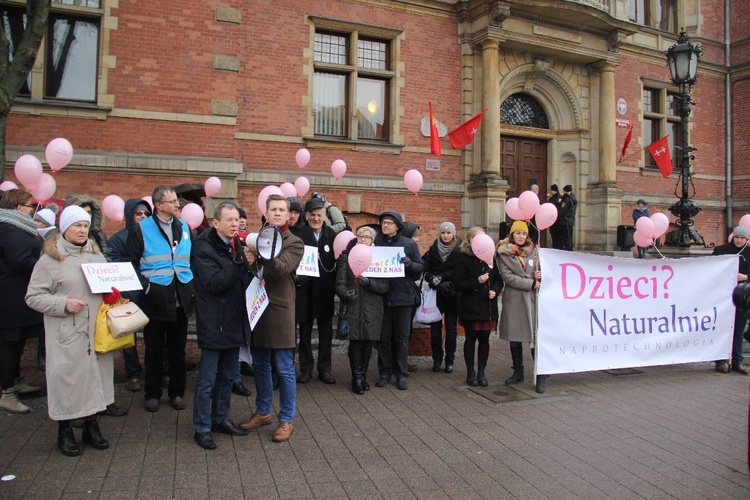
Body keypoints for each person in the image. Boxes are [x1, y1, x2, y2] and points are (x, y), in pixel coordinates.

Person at [25, 206, 114, 456]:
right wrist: (63, 303)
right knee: (68, 382)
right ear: (64, 228)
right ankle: (65, 431)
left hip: (95, 330)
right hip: (67, 331)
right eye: (77, 225)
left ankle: (91, 426)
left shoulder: (96, 254)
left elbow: (104, 284)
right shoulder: (51, 259)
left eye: (85, 225)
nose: (82, 230)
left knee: (95, 380)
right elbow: (33, 296)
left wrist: (113, 292)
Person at [125, 186, 194, 412]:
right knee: (153, 349)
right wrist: (145, 287)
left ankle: (176, 392)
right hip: (154, 298)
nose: (177, 205)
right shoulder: (141, 229)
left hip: (180, 297)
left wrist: (190, 286)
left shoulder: (184, 226)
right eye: (172, 201)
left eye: (177, 201)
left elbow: (190, 258)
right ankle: (152, 393)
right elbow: (131, 263)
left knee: (178, 350)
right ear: (159, 205)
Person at [240, 194, 304, 442]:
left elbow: (281, 268)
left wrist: (260, 250)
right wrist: (247, 259)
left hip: (279, 311)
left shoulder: (294, 242)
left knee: (285, 368)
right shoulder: (258, 238)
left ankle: (286, 419)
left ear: (288, 215)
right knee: (261, 365)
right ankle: (264, 411)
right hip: (258, 309)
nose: (277, 213)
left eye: (281, 210)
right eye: (273, 209)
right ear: (266, 213)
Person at [191, 202, 253, 450]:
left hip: (233, 320)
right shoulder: (203, 248)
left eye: (237, 219)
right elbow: (215, 282)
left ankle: (220, 418)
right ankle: (202, 427)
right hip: (214, 323)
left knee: (228, 376)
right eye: (229, 220)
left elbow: (241, 278)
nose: (234, 224)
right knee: (207, 380)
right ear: (215, 223)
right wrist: (240, 263)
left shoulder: (236, 244)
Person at [0, 189, 43, 414]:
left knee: (16, 343)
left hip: (17, 296)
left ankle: (14, 381)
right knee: (9, 344)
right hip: (10, 298)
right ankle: (7, 393)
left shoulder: (15, 227)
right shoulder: (10, 229)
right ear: (18, 208)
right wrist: (45, 267)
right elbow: (20, 260)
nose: (33, 209)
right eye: (30, 205)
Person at [335, 226, 388, 394]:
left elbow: (385, 286)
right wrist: (345, 293)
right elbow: (339, 284)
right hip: (353, 306)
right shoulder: (347, 257)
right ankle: (356, 378)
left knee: (368, 342)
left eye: (367, 237)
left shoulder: (379, 258)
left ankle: (363, 375)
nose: (363, 239)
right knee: (356, 342)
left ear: (373, 240)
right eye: (360, 236)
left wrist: (370, 283)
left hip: (373, 307)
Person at [374, 211, 424, 390]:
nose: (385, 225)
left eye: (388, 222)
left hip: (403, 298)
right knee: (384, 338)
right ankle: (385, 372)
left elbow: (419, 269)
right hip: (383, 297)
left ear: (397, 226)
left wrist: (410, 264)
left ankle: (401, 374)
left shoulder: (408, 243)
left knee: (401, 338)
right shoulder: (377, 243)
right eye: (383, 223)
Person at [496, 221, 546, 392]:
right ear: (512, 235)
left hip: (532, 300)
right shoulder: (504, 253)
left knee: (535, 337)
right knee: (515, 336)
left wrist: (540, 275)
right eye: (517, 233)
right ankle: (518, 371)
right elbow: (508, 277)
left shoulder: (534, 252)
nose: (521, 236)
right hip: (515, 299)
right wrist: (531, 282)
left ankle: (540, 374)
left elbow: (542, 273)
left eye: (523, 234)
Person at [107, 199, 151, 393]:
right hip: (128, 294)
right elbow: (114, 264)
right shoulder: (119, 238)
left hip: (151, 293)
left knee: (155, 336)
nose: (142, 217)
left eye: (146, 214)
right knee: (129, 337)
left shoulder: (154, 236)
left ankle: (158, 371)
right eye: (138, 214)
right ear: (129, 215)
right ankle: (133, 374)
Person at [296, 197, 338, 384]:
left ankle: (325, 368)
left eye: (319, 215)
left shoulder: (331, 235)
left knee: (325, 334)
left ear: (324, 216)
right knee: (304, 333)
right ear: (306, 216)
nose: (316, 218)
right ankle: (306, 369)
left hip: (324, 292)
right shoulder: (299, 235)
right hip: (304, 291)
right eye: (312, 215)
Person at [454, 227, 502, 386]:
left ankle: (482, 371)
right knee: (470, 339)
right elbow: (458, 284)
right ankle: (470, 372)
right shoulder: (463, 258)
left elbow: (498, 280)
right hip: (471, 305)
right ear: (470, 240)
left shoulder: (491, 257)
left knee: (484, 340)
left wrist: (495, 290)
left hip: (487, 306)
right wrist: (477, 281)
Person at [421, 221, 461, 374]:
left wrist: (441, 277)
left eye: (448, 233)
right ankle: (437, 359)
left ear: (453, 234)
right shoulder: (433, 249)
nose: (445, 235)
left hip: (451, 293)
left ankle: (449, 360)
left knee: (451, 329)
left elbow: (458, 271)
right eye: (443, 233)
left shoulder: (459, 250)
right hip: (435, 294)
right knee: (435, 329)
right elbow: (425, 267)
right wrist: (432, 278)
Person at [711, 226, 750, 374]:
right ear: (732, 237)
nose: (739, 240)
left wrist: (745, 277)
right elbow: (710, 268)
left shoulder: (749, 253)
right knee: (722, 328)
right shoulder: (721, 251)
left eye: (742, 238)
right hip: (723, 296)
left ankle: (737, 361)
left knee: (738, 330)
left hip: (742, 297)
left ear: (747, 239)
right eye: (737, 237)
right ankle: (720, 361)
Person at [547, 185, 567, 250]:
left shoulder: (561, 198)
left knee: (559, 238)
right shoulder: (551, 199)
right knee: (554, 237)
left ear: (552, 190)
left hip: (558, 221)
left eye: (550, 190)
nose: (549, 191)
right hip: (552, 221)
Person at [562, 185, 577, 251]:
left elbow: (563, 209)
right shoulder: (573, 198)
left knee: (567, 237)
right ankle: (570, 249)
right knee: (570, 236)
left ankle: (568, 250)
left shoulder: (567, 199)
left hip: (566, 220)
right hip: (571, 220)